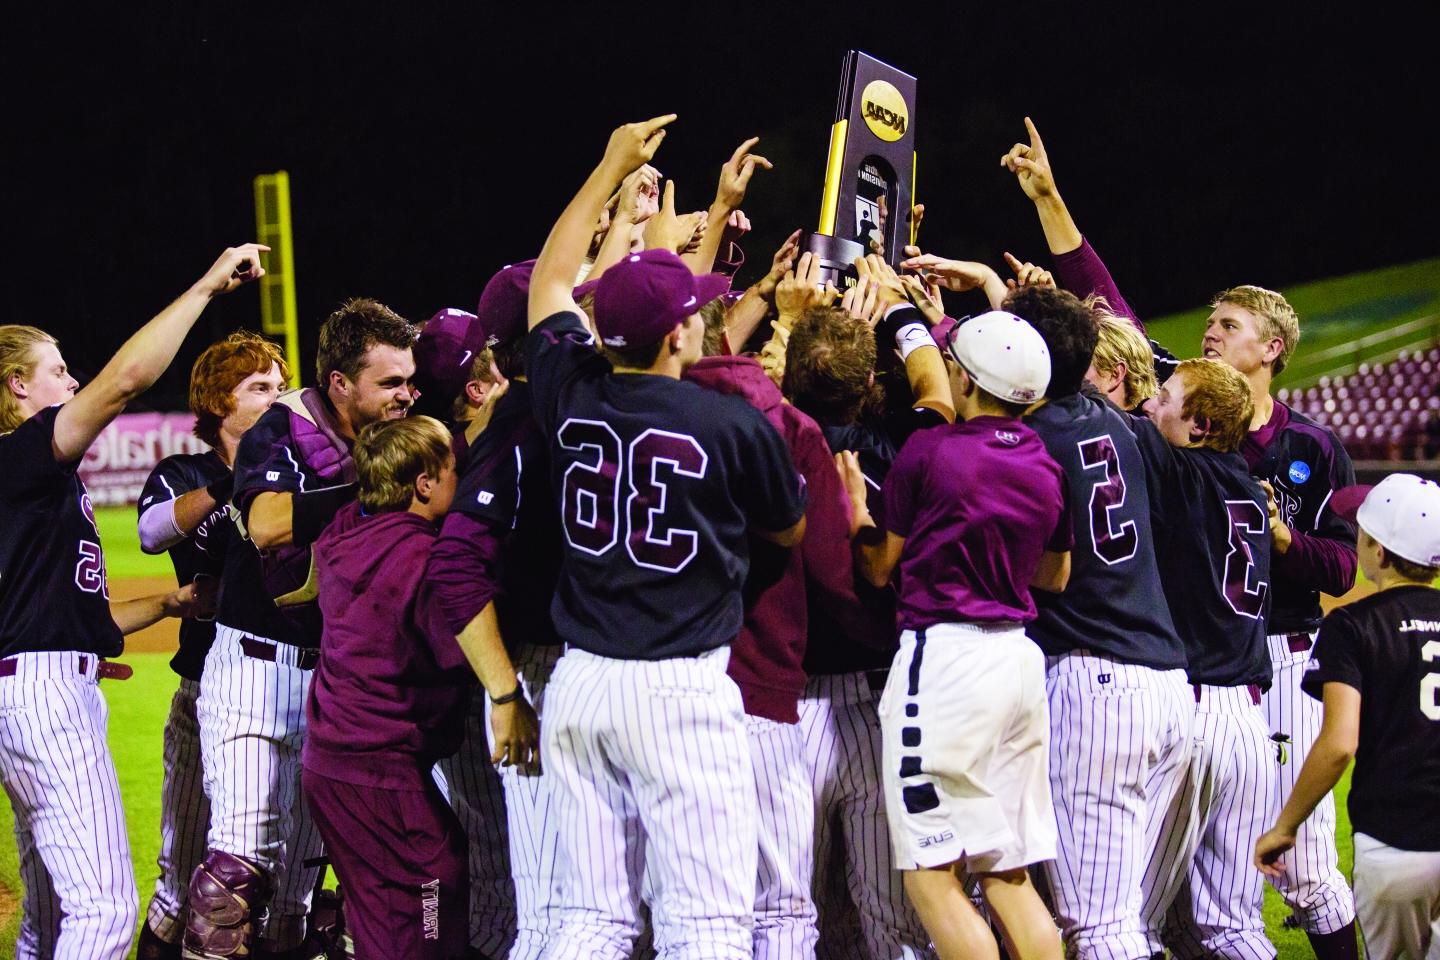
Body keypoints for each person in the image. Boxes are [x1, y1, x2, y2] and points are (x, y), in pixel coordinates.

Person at [1001, 116, 1358, 956]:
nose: (1208, 333)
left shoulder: (1299, 445)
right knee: (1187, 908)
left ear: (1272, 348)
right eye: (1209, 323)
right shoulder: (1197, 426)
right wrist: (1051, 205)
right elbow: (1112, 309)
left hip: (1280, 663)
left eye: (1227, 326)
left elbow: (1340, 565)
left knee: (1292, 868)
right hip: (1202, 675)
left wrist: (1283, 545)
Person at [524, 114, 808, 960]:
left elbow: (549, 282)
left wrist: (607, 166)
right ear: (681, 332)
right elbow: (788, 529)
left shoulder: (570, 391)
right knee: (706, 926)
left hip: (578, 685)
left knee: (588, 919)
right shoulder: (727, 422)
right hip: (678, 691)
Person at [0, 243, 263, 960]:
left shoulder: (27, 486)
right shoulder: (19, 456)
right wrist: (208, 286)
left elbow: (71, 623)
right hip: (46, 703)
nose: (72, 378)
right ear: (17, 387)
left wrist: (173, 601)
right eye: (57, 370)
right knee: (107, 913)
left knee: (49, 922)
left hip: (31, 685)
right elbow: (126, 380)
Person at [188, 297, 418, 959]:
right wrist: (375, 492)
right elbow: (263, 523)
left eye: (410, 379)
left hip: (339, 681)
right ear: (341, 383)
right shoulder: (284, 426)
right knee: (233, 882)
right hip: (258, 672)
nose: (406, 394)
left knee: (300, 897)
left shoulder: (397, 430)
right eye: (391, 381)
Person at [841, 310, 1072, 960]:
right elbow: (1055, 574)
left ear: (968, 379)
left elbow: (880, 565)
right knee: (1007, 872)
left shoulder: (932, 450)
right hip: (1018, 664)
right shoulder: (1043, 463)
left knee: (933, 878)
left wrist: (859, 516)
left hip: (944, 662)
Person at [303, 415, 538, 960]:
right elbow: (459, 651)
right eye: (454, 470)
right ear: (424, 485)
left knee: (385, 915)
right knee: (434, 884)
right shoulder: (419, 558)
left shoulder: (346, 529)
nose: (464, 481)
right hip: (379, 766)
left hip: (331, 764)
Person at [774, 266, 947, 959]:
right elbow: (936, 388)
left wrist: (789, 322)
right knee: (894, 921)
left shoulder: (761, 441)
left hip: (787, 710)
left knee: (784, 918)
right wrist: (902, 313)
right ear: (871, 382)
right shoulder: (910, 449)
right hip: (884, 704)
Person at [134, 330, 289, 960]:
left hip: (292, 683)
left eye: (281, 386)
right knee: (184, 875)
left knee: (279, 875)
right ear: (218, 402)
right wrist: (232, 486)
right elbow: (149, 532)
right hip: (206, 688)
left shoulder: (293, 465)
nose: (277, 398)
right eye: (260, 388)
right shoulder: (186, 473)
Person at [1256, 474, 1440, 960]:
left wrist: (1286, 827)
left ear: (1379, 552)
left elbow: (1340, 744)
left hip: (1394, 843)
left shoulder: (1354, 625)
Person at [1132, 358, 1276, 959]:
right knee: (1230, 926)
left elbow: (1101, 416)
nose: (1149, 405)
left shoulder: (1181, 474)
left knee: (1124, 919)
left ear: (1201, 425)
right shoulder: (1247, 483)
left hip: (1193, 714)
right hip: (1247, 722)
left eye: (1164, 397)